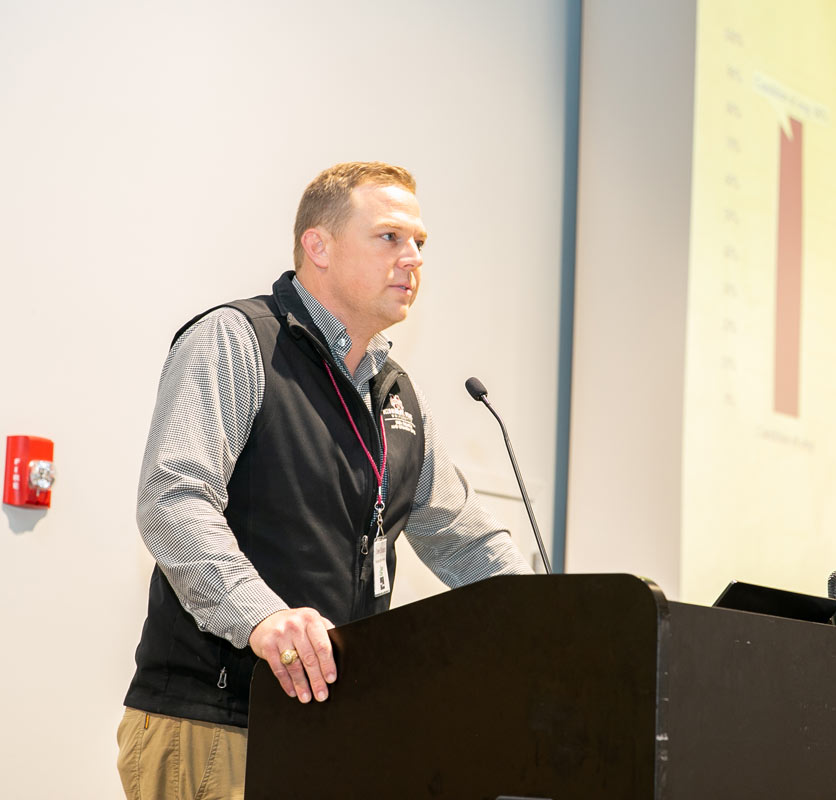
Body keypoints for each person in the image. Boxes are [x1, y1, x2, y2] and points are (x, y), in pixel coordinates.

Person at [116, 161, 532, 799]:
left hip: (336, 730)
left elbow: (466, 542)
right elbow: (176, 500)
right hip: (219, 720)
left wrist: (561, 624)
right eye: (390, 237)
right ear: (319, 246)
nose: (413, 258)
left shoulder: (395, 394)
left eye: (420, 243)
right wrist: (265, 620)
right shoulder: (238, 341)